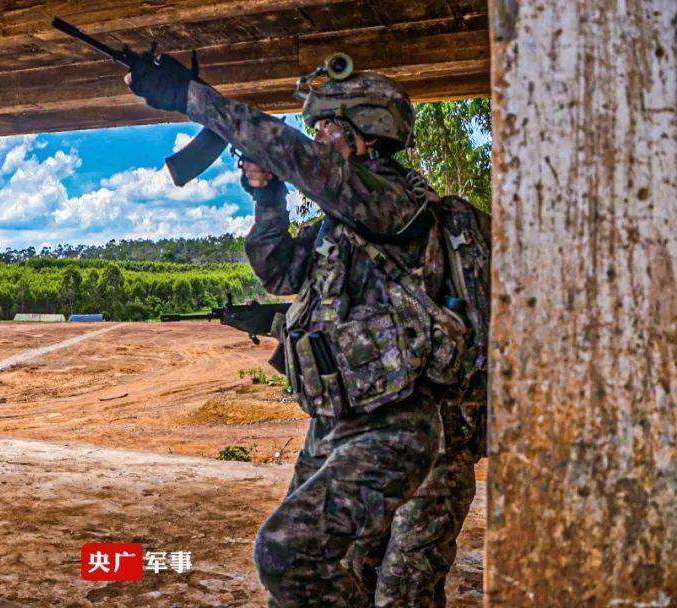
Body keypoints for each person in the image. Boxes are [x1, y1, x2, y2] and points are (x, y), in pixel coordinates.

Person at [124, 53, 487, 607]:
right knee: (326, 578)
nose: (315, 144)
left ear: (362, 136)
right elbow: (280, 272)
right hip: (336, 422)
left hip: (396, 425)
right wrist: (267, 197)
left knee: (330, 566)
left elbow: (303, 162)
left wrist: (192, 96)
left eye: (324, 132)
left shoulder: (395, 205)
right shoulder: (341, 226)